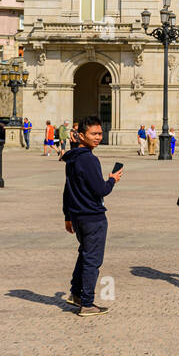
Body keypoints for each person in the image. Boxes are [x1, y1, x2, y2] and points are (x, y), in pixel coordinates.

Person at [61, 115, 123, 314]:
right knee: (92, 260)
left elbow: (67, 190)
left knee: (84, 254)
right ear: (81, 135)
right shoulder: (89, 159)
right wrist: (112, 179)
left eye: (100, 134)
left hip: (78, 216)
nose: (98, 137)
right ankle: (87, 303)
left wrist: (67, 216)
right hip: (93, 217)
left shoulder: (72, 158)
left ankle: (75, 293)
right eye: (93, 134)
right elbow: (101, 190)